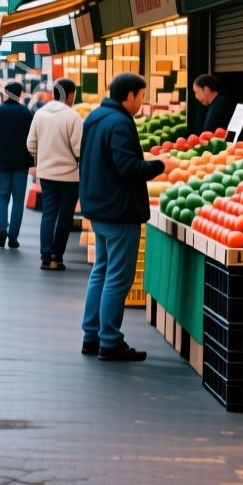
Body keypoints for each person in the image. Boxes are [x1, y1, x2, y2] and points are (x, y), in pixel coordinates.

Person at [79, 73, 166, 361]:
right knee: (117, 277)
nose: (142, 102)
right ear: (129, 96)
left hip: (99, 206)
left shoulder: (95, 117)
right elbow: (127, 167)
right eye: (141, 96)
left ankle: (91, 335)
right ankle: (110, 341)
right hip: (118, 210)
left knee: (101, 271)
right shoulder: (119, 123)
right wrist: (159, 165)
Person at [28, 78, 82, 271]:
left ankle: (45, 256)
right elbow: (79, 149)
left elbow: (30, 144)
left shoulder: (40, 114)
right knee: (65, 216)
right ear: (70, 95)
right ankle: (57, 257)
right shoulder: (73, 117)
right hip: (69, 176)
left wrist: (41, 159)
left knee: (48, 213)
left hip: (47, 174)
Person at [0, 82, 34, 249]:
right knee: (18, 199)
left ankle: (2, 229)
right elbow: (33, 138)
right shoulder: (27, 113)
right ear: (20, 93)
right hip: (21, 162)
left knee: (2, 196)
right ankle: (13, 235)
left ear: (6, 93)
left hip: (2, 161)